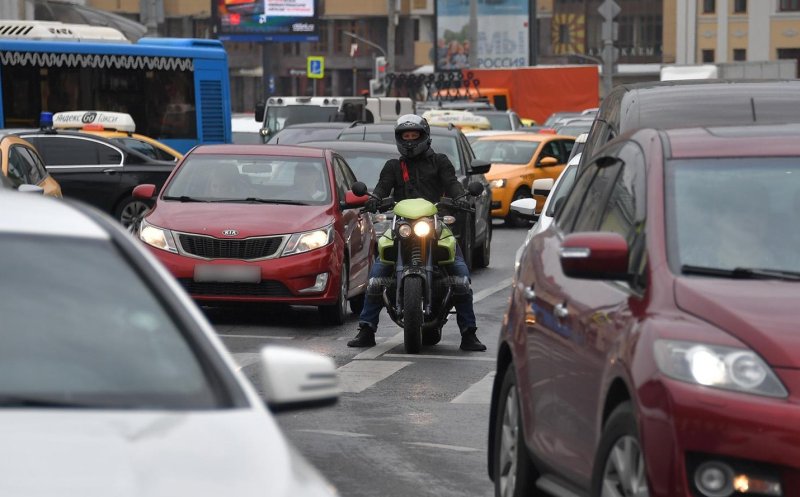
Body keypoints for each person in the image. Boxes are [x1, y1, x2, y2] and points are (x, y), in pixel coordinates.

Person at [347, 114, 487, 352]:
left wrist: (462, 197)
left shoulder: (440, 162)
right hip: (401, 226)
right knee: (376, 276)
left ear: (424, 136)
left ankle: (469, 333)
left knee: (461, 275)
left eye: (414, 136)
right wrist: (375, 200)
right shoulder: (393, 166)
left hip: (436, 224)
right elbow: (381, 188)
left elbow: (452, 184)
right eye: (405, 136)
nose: (410, 141)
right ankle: (366, 329)